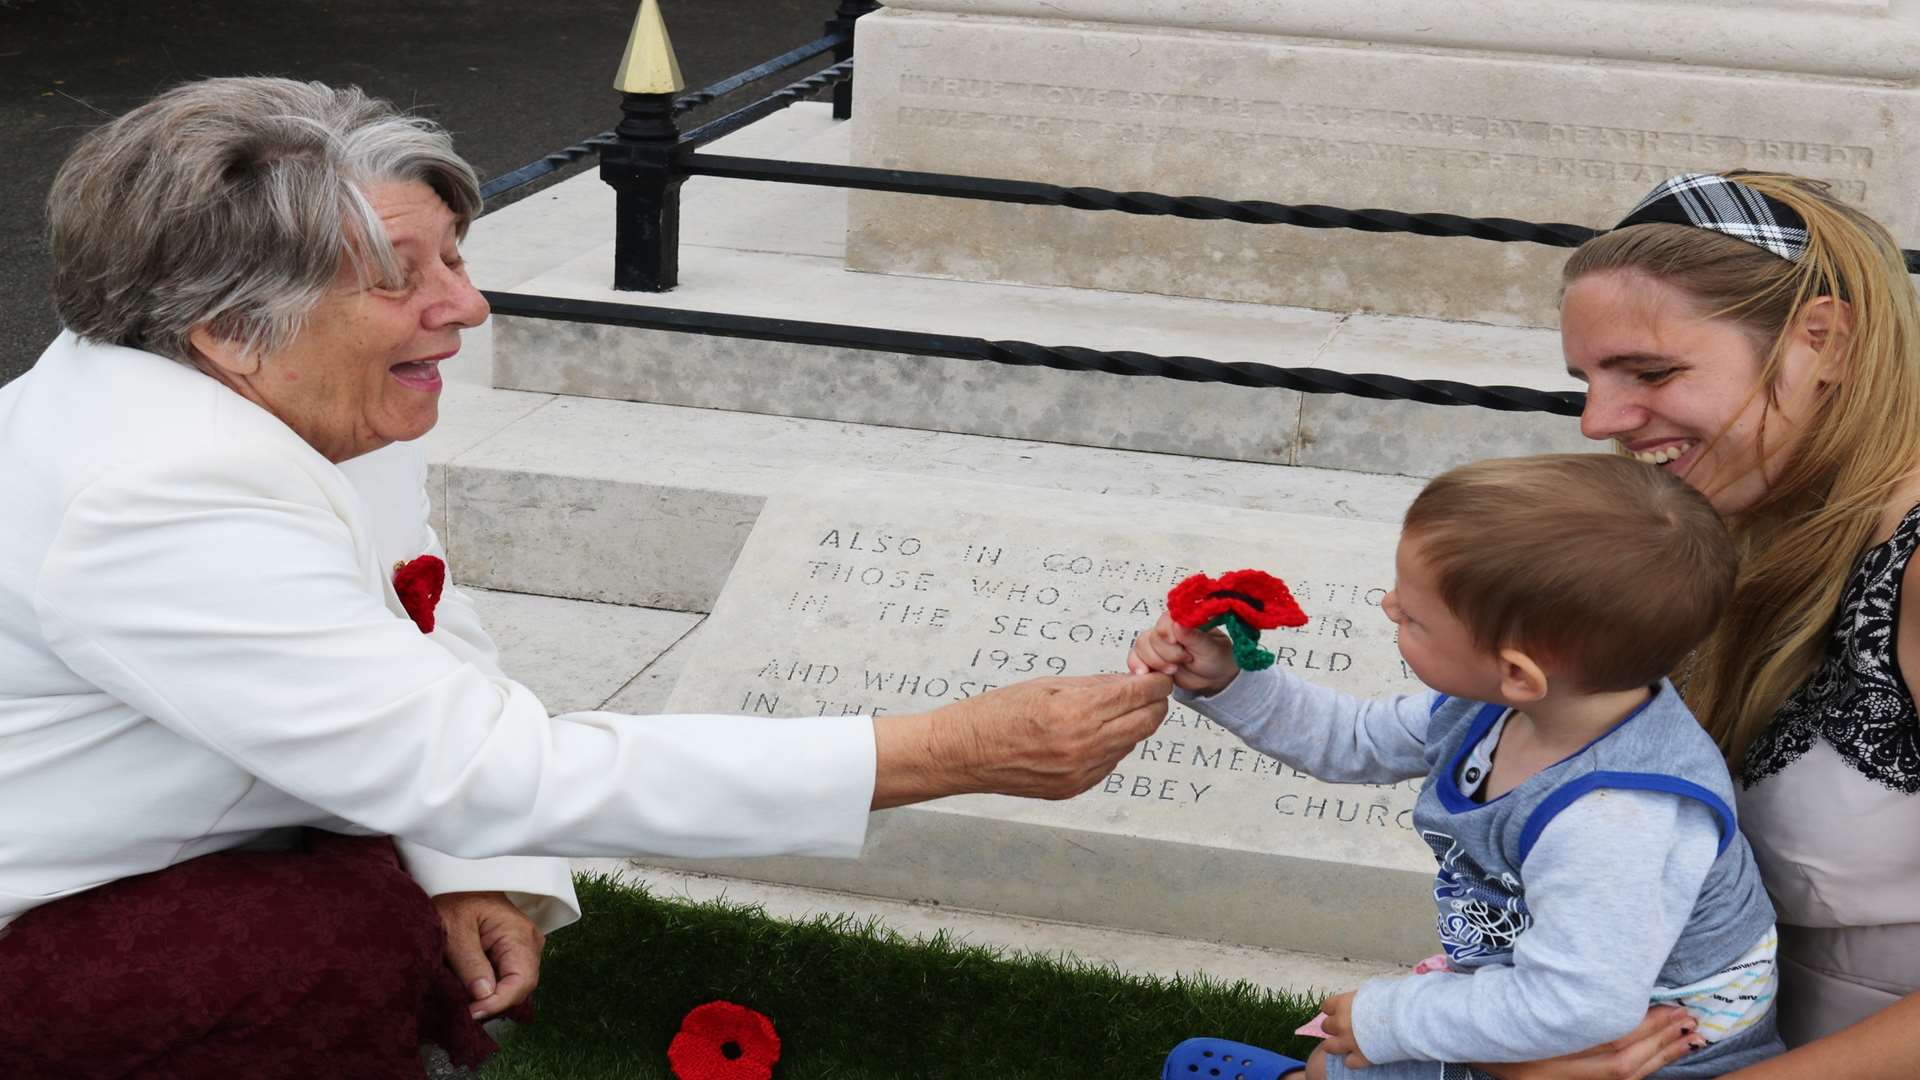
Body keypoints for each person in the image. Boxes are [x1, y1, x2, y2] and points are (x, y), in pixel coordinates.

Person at [0, 76, 1171, 1078]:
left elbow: (414, 632)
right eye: (399, 278)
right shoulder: (156, 495)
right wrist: (945, 754)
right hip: (47, 910)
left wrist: (472, 860)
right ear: (227, 328)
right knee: (316, 940)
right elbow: (480, 757)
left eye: (456, 255)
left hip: (198, 826)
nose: (466, 306)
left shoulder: (277, 394)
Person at [1468, 170, 1920, 1080]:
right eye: (1588, 380)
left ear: (1822, 341)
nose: (1600, 421)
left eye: (1651, 371)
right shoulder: (1719, 533)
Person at [1133, 454, 1783, 1080]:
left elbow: (1573, 1007)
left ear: (1518, 672)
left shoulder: (1614, 817)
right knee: (1333, 1064)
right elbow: (1354, 738)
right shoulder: (1504, 707)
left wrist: (1390, 1016)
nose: (1388, 606)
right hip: (1554, 999)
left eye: (1414, 617)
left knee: (1340, 1062)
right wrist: (1229, 682)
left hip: (1638, 1055)